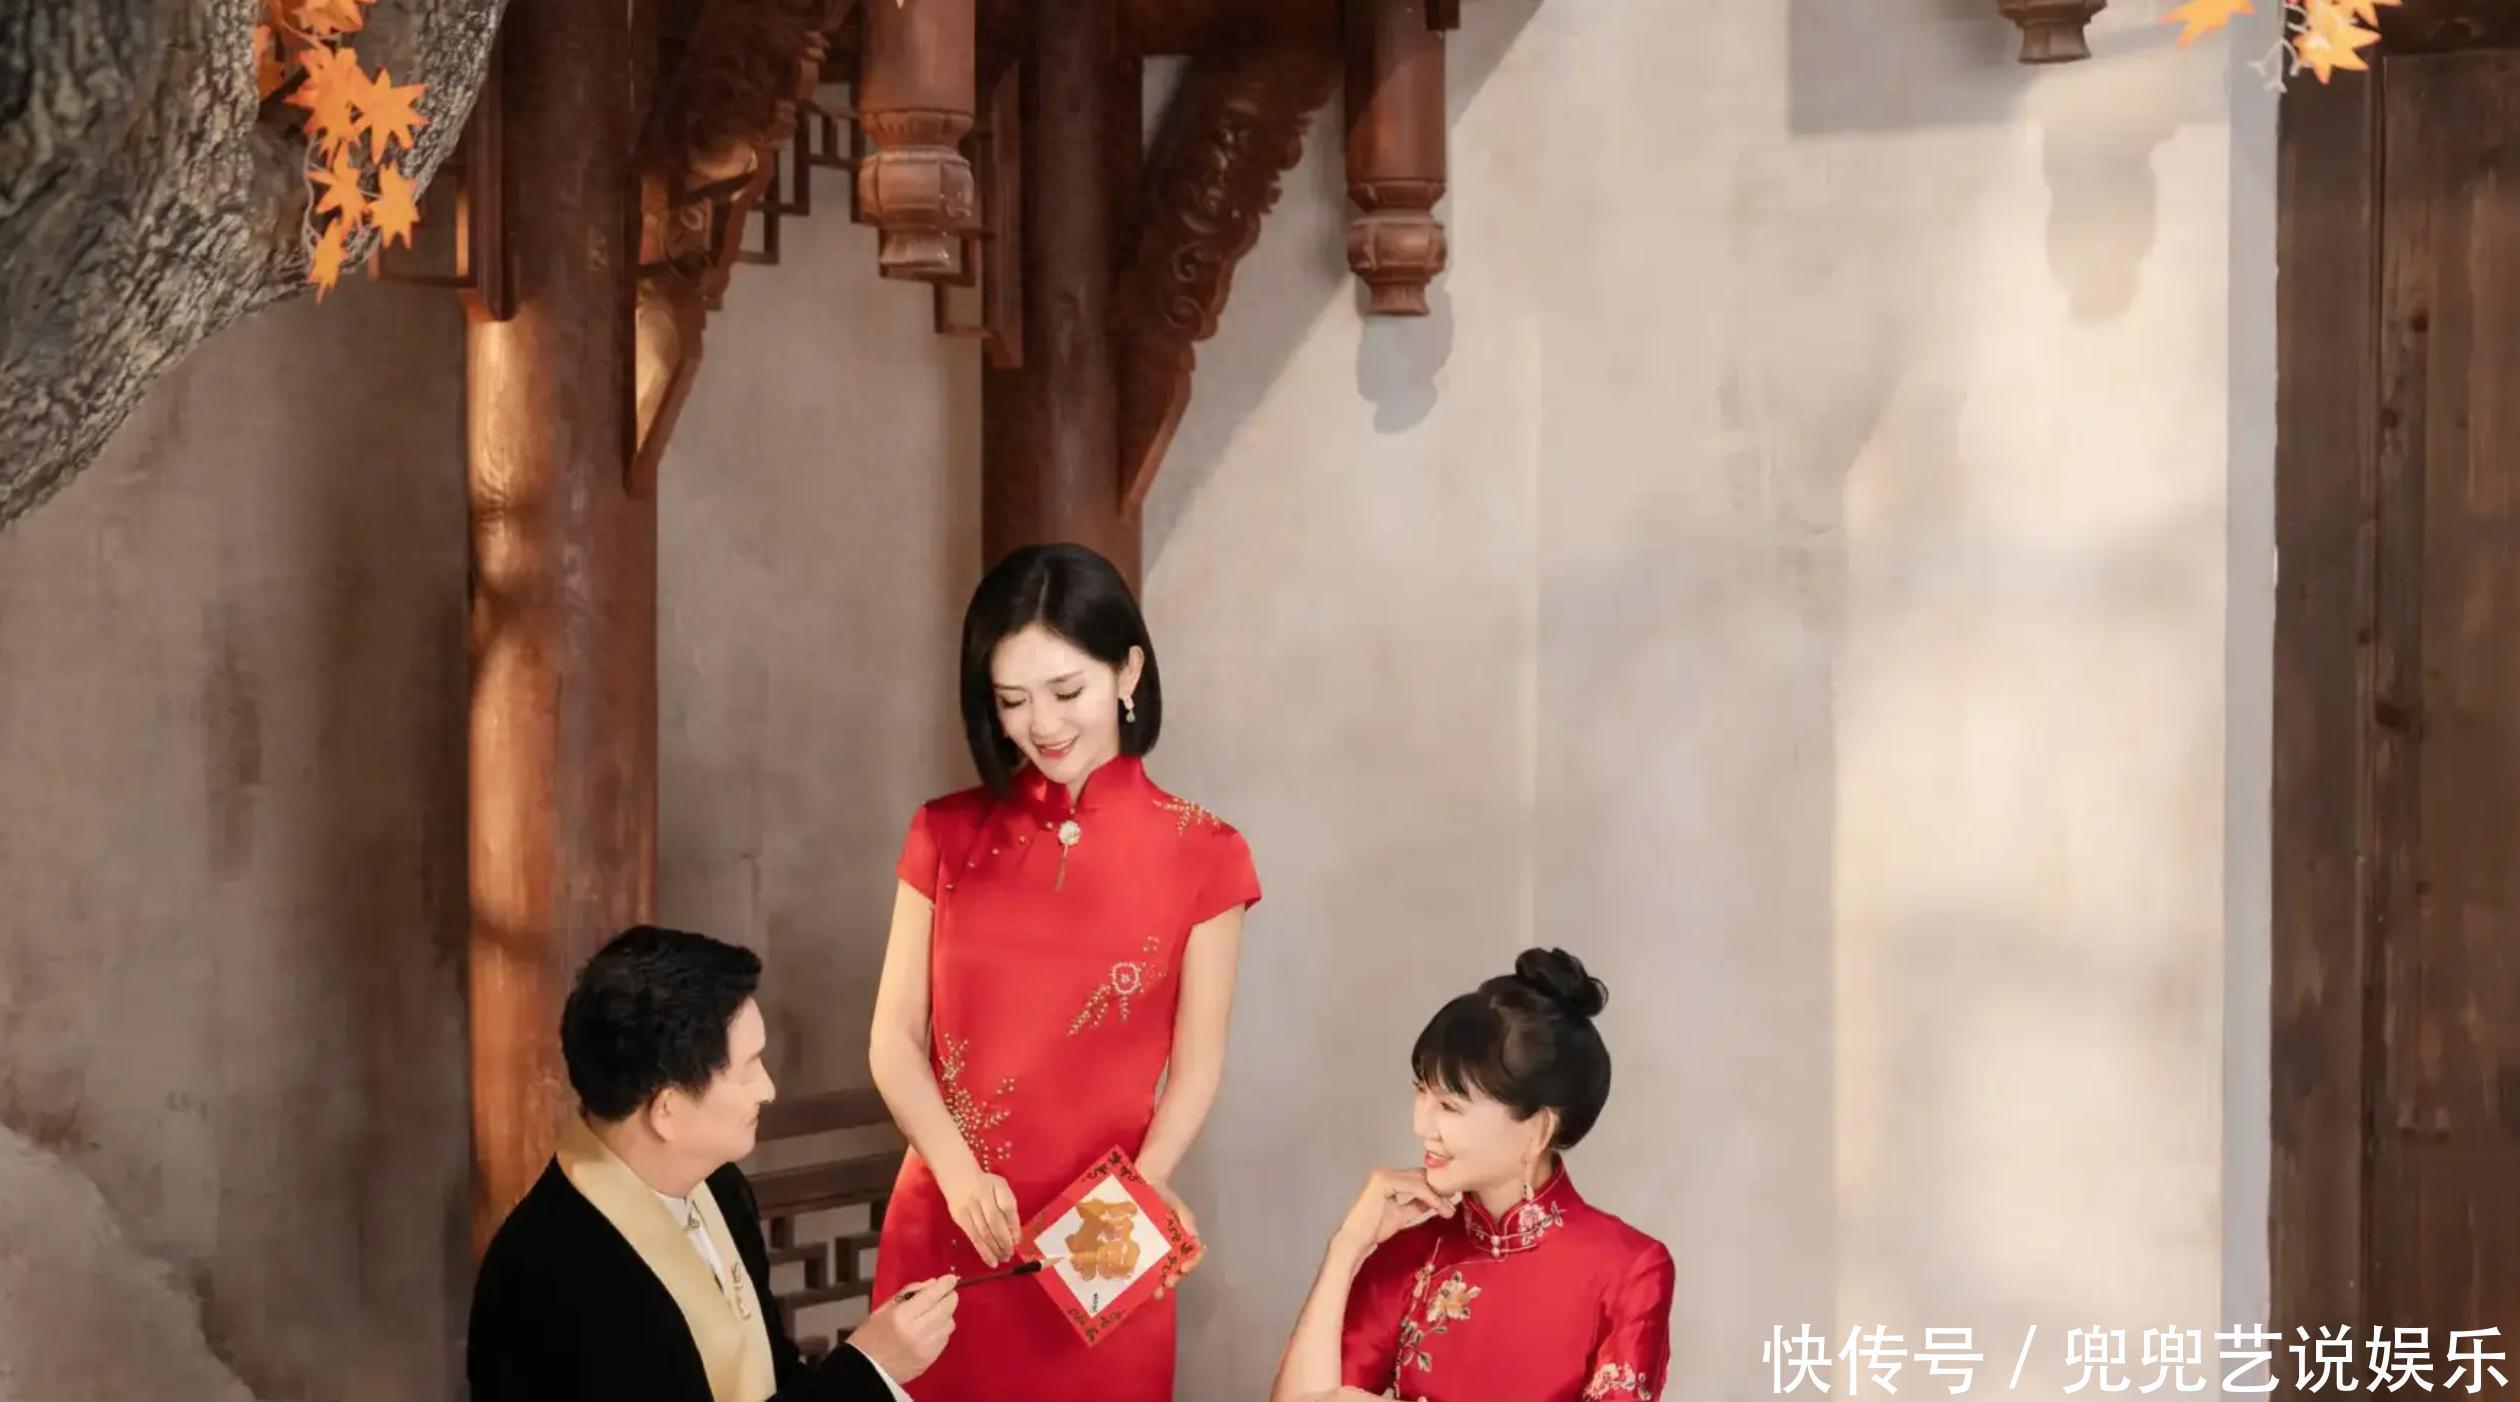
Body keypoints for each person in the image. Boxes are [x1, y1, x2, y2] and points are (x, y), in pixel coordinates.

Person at [867, 542, 1262, 1400]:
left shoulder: (1207, 853)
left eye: (1065, 691)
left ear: (1128, 673)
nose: (1041, 725)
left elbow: (1197, 1065)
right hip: (947, 1225)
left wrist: (1143, 1190)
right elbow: (893, 1042)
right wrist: (958, 1177)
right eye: (1012, 701)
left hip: (1107, 1235)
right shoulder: (943, 834)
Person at [469, 925, 960, 1402]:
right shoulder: (554, 1275)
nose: (768, 1090)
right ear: (667, 1110)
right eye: (747, 1070)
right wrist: (870, 1369)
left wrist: (872, 1364)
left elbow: (776, 1377)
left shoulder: (720, 1188)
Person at [1270, 949, 1675, 1402]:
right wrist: (1345, 1247)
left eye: (1449, 1106)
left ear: (1538, 1129)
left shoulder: (1629, 1270)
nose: (1421, 1125)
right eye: (1421, 1093)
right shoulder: (1409, 1258)